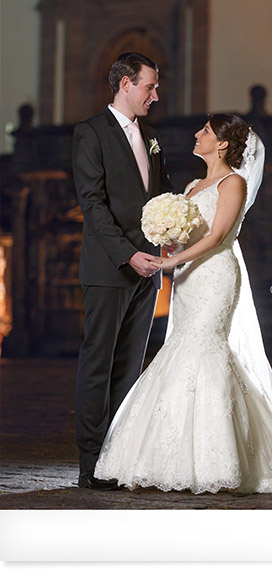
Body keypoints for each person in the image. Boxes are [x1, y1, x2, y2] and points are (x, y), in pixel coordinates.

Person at [94, 114, 272, 493]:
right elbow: (190, 234)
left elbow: (219, 235)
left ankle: (220, 458)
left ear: (222, 144)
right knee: (179, 351)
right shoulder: (192, 185)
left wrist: (172, 260)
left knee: (206, 351)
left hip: (215, 276)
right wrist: (170, 242)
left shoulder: (232, 182)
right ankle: (169, 458)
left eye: (205, 131)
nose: (196, 134)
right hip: (188, 278)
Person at [72, 52, 172, 490]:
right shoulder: (90, 133)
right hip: (110, 268)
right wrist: (128, 254)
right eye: (149, 86)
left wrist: (168, 236)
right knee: (99, 364)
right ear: (126, 84)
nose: (156, 95)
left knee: (130, 368)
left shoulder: (151, 135)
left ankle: (120, 457)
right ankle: (92, 463)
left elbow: (159, 195)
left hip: (147, 270)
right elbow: (92, 205)